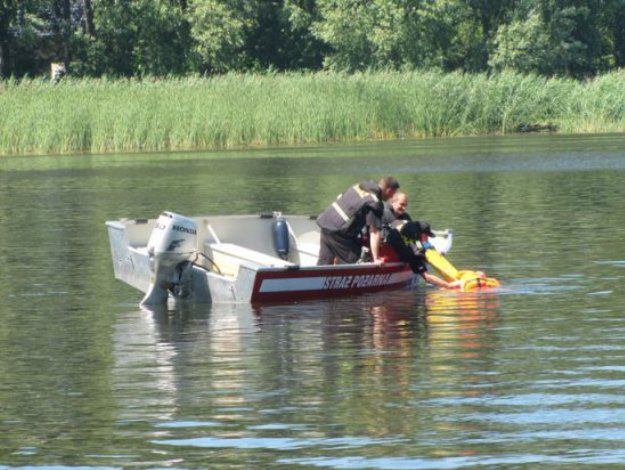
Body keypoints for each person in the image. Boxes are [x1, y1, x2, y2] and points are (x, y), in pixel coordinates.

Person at [316, 176, 400, 265]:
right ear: (389, 190)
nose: (391, 197)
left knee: (324, 262)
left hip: (326, 223)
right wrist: (376, 259)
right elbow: (374, 232)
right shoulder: (374, 202)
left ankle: (316, 277)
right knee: (354, 258)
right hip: (338, 233)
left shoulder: (359, 187)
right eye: (392, 194)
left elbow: (340, 198)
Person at [386, 220, 462, 289]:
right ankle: (449, 286)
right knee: (426, 276)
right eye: (427, 235)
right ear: (422, 233)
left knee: (422, 257)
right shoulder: (414, 238)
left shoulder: (410, 229)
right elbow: (418, 249)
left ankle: (444, 284)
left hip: (399, 245)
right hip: (407, 253)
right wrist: (426, 257)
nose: (427, 237)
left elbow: (420, 246)